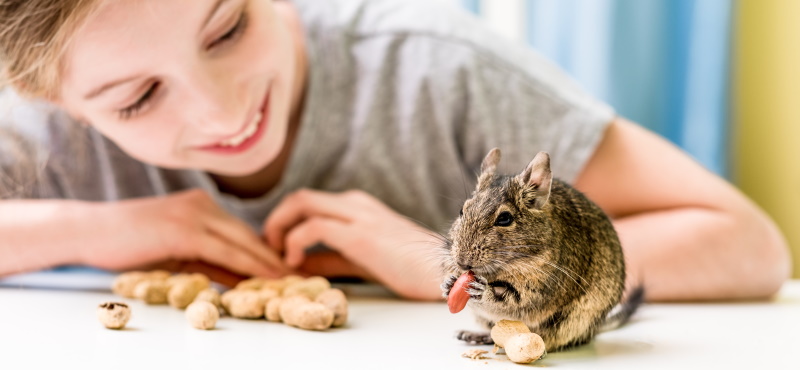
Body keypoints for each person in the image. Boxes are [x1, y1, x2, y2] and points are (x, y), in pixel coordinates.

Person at [0, 0, 790, 302]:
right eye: (137, 99)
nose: (223, 109)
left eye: (229, 29)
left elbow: (745, 243)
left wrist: (453, 268)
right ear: (58, 103)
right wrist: (104, 230)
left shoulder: (440, 72)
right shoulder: (50, 137)